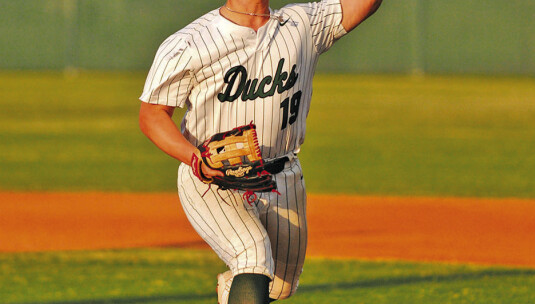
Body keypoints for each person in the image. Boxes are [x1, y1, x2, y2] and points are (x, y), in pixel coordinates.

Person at [139, 0, 383, 303]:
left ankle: (233, 291)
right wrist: (195, 159)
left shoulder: (302, 24)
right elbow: (152, 115)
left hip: (283, 176)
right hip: (214, 179)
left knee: (279, 286)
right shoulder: (189, 43)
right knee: (251, 256)